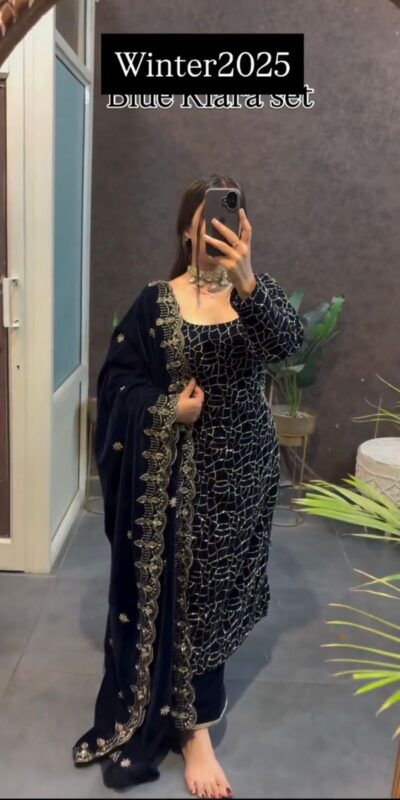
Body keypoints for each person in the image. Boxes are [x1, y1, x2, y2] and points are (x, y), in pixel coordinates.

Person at [72, 174, 304, 798]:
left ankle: (196, 717)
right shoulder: (157, 302)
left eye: (231, 221)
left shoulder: (255, 294)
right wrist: (167, 409)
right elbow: (117, 383)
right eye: (208, 223)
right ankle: (190, 725)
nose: (219, 232)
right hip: (176, 477)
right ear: (186, 230)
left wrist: (246, 277)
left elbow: (289, 347)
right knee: (186, 593)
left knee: (217, 598)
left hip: (244, 477)